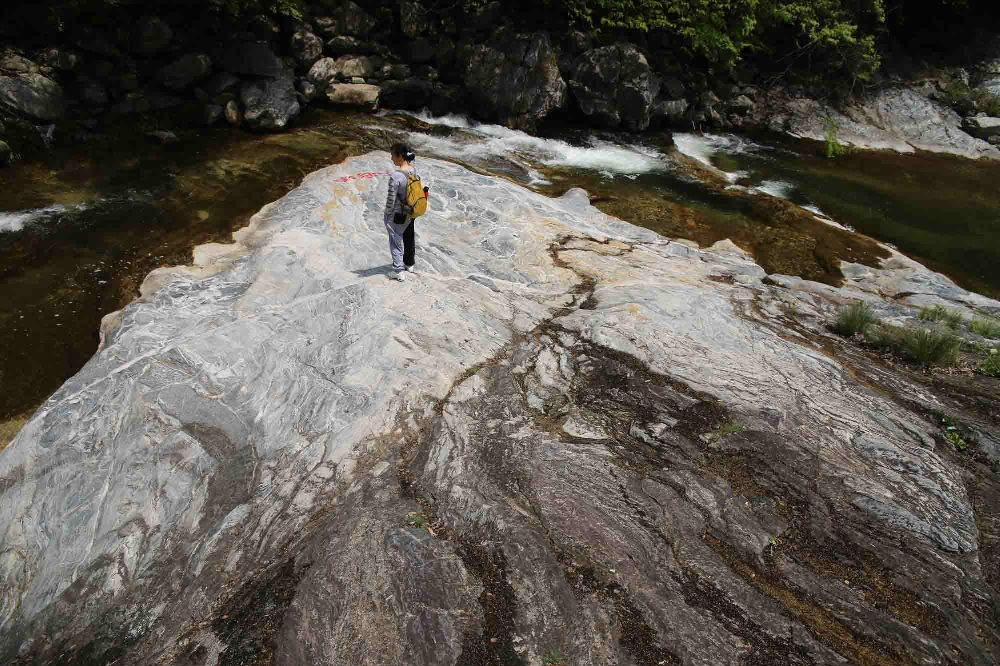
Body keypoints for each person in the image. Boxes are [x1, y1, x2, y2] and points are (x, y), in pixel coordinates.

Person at [383, 143, 419, 281]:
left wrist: (387, 215)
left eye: (392, 155)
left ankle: (398, 271)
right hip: (411, 211)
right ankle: (409, 263)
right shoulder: (413, 170)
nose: (391, 159)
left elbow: (391, 199)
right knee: (409, 236)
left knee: (395, 239)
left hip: (398, 214)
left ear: (399, 156)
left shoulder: (396, 176)